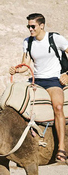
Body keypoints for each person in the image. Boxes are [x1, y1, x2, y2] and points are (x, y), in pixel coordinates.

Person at [9, 13, 68, 163]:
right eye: (28, 26)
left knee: (59, 107)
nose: (30, 29)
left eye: (33, 26)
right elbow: (25, 65)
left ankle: (61, 147)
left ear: (42, 26)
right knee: (14, 105)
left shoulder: (55, 39)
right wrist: (16, 70)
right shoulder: (27, 42)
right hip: (36, 80)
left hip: (54, 80)